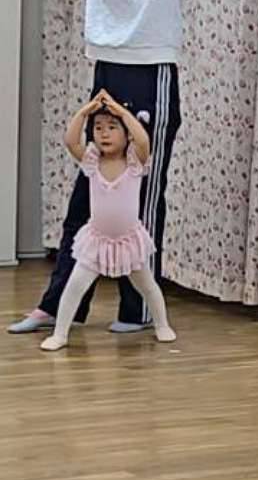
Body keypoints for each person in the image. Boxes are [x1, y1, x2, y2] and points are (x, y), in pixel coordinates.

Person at [8, 0, 182, 335]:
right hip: (107, 55)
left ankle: (140, 308)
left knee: (141, 196)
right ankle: (60, 304)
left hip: (150, 59)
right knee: (89, 195)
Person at [40, 91, 176, 352]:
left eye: (112, 128)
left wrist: (121, 111)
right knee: (74, 287)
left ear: (127, 135)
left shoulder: (134, 163)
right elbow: (71, 141)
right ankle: (60, 334)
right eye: (98, 128)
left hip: (128, 241)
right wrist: (84, 112)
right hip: (97, 241)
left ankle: (162, 325)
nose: (104, 133)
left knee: (147, 286)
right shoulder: (92, 161)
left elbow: (143, 140)